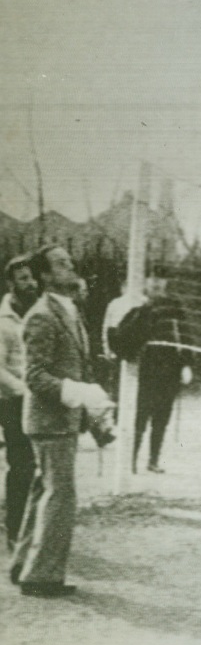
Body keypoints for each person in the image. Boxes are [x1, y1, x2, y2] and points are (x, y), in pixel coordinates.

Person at [10, 245, 113, 597]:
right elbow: (35, 377)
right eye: (60, 264)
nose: (70, 267)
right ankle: (42, 577)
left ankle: (24, 564)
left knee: (45, 493)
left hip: (60, 419)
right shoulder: (41, 315)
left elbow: (76, 365)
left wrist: (90, 402)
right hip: (50, 421)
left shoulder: (67, 310)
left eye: (69, 261)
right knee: (61, 496)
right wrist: (78, 393)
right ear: (44, 276)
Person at [133, 274, 193, 473]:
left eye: (161, 279)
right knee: (140, 417)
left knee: (161, 417)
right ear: (146, 283)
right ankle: (130, 459)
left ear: (166, 283)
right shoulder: (139, 305)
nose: (157, 283)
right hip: (145, 370)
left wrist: (186, 364)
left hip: (169, 370)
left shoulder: (175, 307)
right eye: (152, 279)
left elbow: (185, 337)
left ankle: (153, 460)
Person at [1, 255, 39, 552]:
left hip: (39, 400)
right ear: (11, 283)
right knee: (22, 467)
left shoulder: (38, 311)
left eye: (32, 277)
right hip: (13, 401)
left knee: (41, 468)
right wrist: (24, 390)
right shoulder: (3, 321)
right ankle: (15, 534)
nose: (30, 283)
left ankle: (35, 533)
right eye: (23, 279)